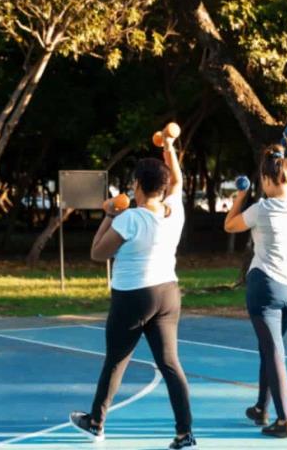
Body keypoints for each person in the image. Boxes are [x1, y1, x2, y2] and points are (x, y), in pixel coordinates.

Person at [69, 131, 196, 449]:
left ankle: (96, 423)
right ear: (163, 187)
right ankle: (185, 433)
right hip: (168, 293)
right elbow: (178, 181)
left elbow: (98, 253)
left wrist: (109, 214)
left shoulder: (130, 219)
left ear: (138, 185)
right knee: (170, 363)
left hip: (133, 296)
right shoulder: (173, 210)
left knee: (116, 359)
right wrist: (169, 149)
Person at [224, 131, 287, 439]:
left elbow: (229, 225)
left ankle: (284, 420)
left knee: (274, 351)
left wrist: (240, 196)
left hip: (267, 289)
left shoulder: (260, 209)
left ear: (265, 179)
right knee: (270, 348)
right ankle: (262, 407)